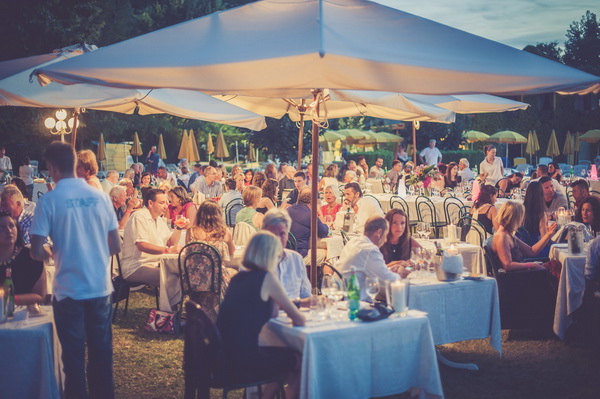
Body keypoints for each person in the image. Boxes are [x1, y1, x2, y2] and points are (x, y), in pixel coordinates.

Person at [30, 141, 120, 399]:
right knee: (102, 358)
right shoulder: (101, 197)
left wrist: (54, 251)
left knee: (73, 361)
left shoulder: (49, 200)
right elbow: (115, 245)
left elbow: (37, 251)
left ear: (52, 167)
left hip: (68, 290)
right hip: (99, 287)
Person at [216, 232, 304, 399]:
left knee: (285, 362)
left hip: (221, 357)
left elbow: (269, 310)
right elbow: (298, 318)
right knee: (301, 361)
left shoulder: (238, 278)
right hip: (243, 361)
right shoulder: (266, 277)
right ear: (271, 256)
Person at [121, 188, 183, 287]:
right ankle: (171, 303)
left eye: (166, 203)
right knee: (172, 276)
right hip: (136, 266)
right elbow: (142, 245)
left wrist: (179, 228)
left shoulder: (159, 219)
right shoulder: (139, 216)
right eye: (162, 203)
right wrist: (168, 251)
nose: (166, 206)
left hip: (156, 262)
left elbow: (171, 242)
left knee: (183, 271)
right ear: (150, 203)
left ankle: (176, 302)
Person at [338, 216, 409, 301]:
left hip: (341, 294)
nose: (386, 240)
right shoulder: (370, 250)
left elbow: (366, 269)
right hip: (355, 302)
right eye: (386, 235)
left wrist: (388, 269)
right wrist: (400, 274)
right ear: (379, 233)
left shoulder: (354, 242)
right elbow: (389, 281)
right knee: (403, 297)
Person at [492, 201, 558, 272]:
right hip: (517, 276)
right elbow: (508, 265)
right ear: (514, 218)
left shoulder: (508, 233)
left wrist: (548, 235)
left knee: (556, 265)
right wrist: (532, 265)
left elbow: (532, 251)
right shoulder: (502, 236)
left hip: (521, 271)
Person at [262, 208, 312, 302]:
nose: (277, 238)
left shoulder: (296, 259)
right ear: (264, 234)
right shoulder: (254, 262)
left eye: (282, 234)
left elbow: (305, 295)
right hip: (269, 316)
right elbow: (259, 305)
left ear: (288, 235)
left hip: (297, 314)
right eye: (273, 234)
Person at [0, 211, 45, 307]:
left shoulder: (31, 257)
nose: (9, 231)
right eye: (2, 227)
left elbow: (40, 296)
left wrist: (9, 299)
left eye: (12, 226)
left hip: (24, 316)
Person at [288, 187, 329, 259]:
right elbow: (324, 233)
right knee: (329, 254)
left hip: (285, 251)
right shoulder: (310, 214)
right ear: (312, 200)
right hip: (299, 253)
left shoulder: (288, 209)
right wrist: (320, 213)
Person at [520, 181, 552, 257]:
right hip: (536, 249)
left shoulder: (521, 210)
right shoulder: (540, 213)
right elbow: (544, 238)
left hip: (522, 248)